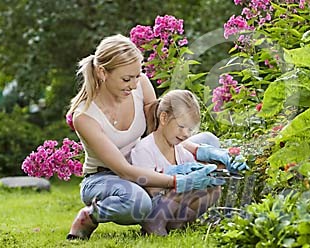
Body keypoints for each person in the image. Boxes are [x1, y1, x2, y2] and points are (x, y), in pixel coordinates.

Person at [65, 34, 234, 240]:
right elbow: (124, 170)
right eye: (127, 79)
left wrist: (201, 151)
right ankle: (90, 215)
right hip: (107, 177)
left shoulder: (141, 85)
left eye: (137, 76)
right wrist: (180, 181)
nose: (135, 84)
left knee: (208, 140)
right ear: (102, 72)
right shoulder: (85, 116)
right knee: (138, 203)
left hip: (143, 160)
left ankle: (162, 217)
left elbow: (160, 134)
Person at [130, 89, 248, 235]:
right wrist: (179, 175)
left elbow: (198, 172)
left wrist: (221, 168)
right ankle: (154, 222)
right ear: (164, 118)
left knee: (212, 188)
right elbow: (150, 189)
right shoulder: (145, 149)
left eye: (190, 129)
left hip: (170, 206)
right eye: (181, 126)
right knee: (183, 186)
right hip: (151, 205)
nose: (186, 134)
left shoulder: (179, 149)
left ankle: (178, 223)